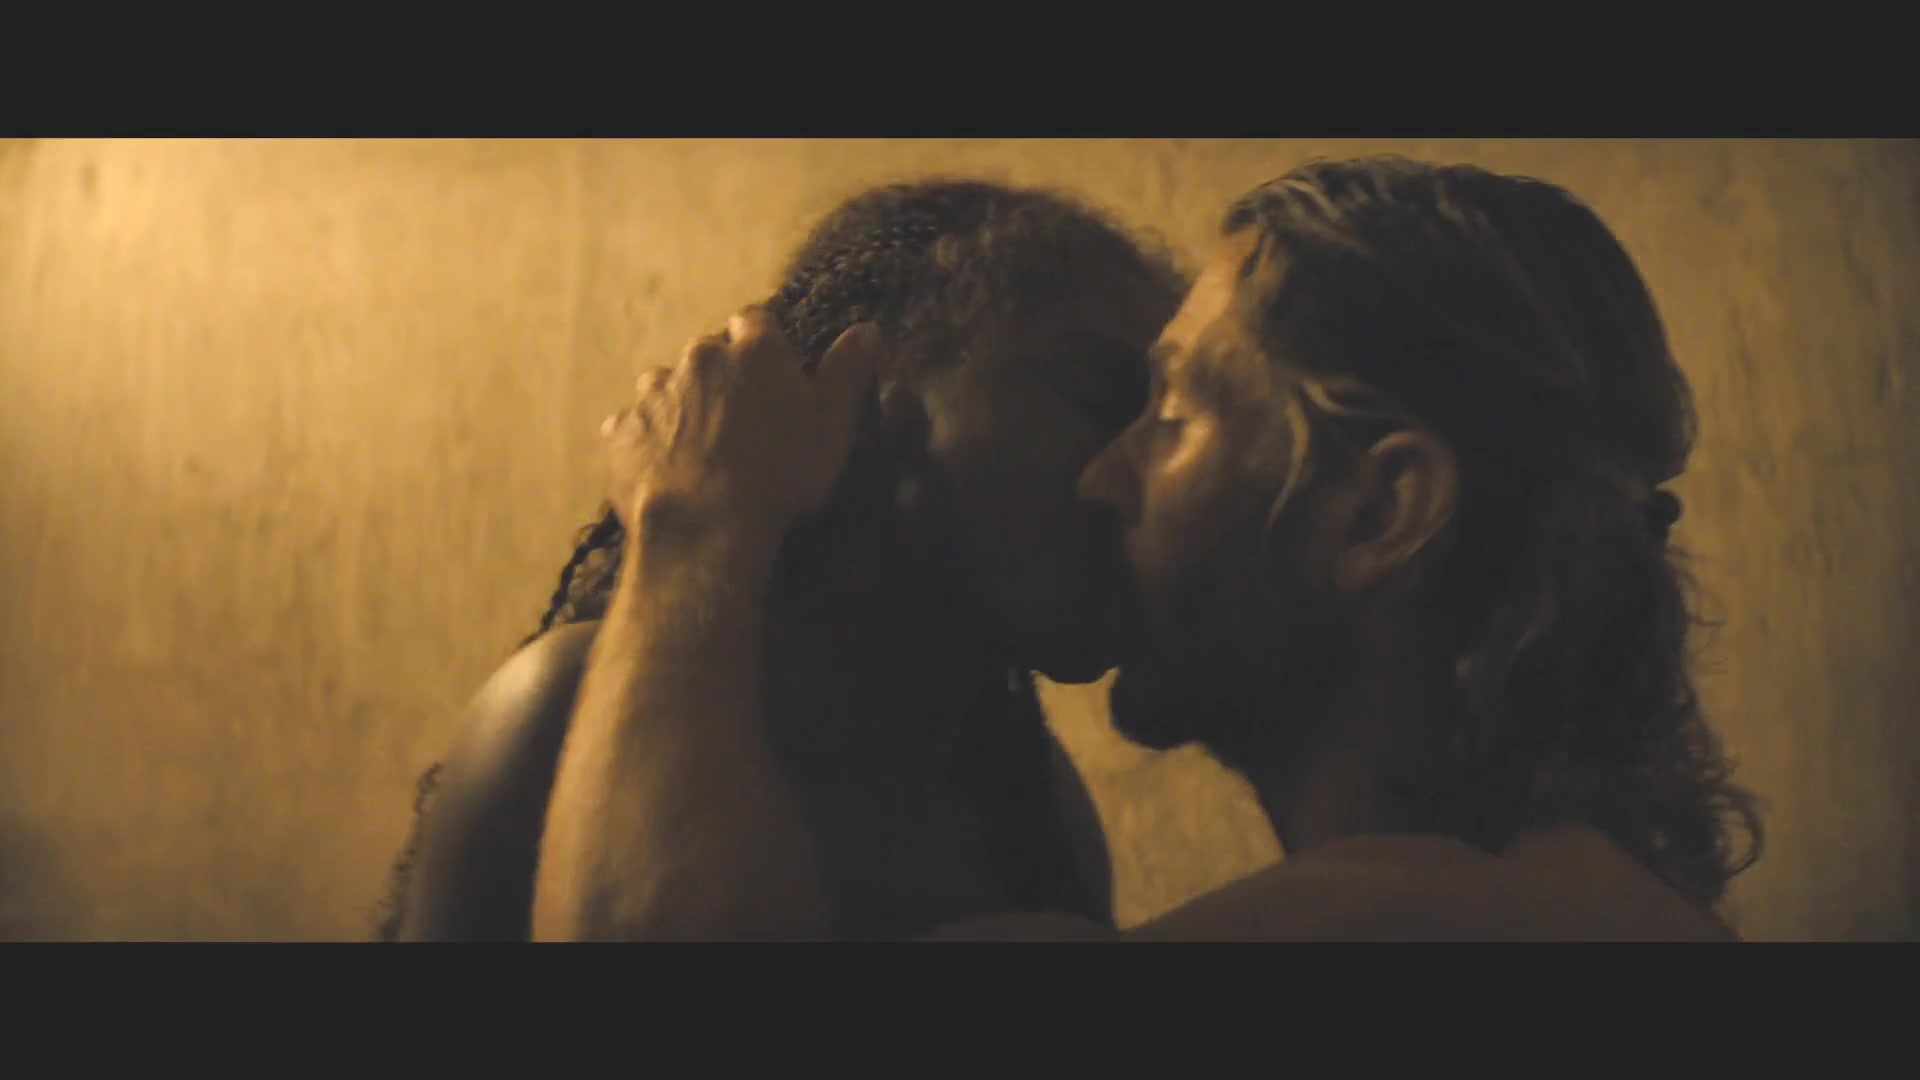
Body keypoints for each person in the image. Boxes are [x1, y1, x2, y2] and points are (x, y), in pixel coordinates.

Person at [533, 157, 1762, 941]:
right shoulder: (1592, 897)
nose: (1101, 475)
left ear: (1377, 512)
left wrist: (694, 524)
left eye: (1167, 415)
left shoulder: (1398, 927)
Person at [373, 179, 1185, 940]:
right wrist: (691, 524)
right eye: (1103, 396)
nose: (1138, 466)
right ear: (873, 389)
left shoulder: (1028, 805)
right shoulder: (564, 707)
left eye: (1173, 424)